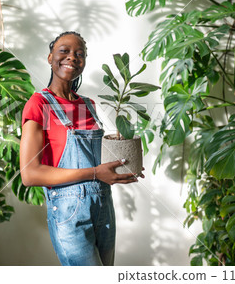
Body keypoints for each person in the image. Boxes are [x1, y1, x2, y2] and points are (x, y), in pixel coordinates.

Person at [19, 31, 144, 266]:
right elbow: (29, 174)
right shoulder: (39, 104)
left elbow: (97, 159)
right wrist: (96, 173)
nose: (72, 57)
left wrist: (126, 164)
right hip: (69, 213)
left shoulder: (88, 105)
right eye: (64, 51)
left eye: (80, 54)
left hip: (103, 207)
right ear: (50, 57)